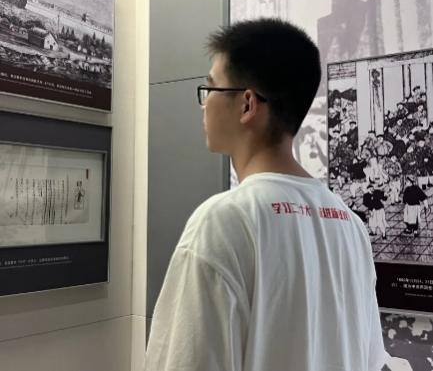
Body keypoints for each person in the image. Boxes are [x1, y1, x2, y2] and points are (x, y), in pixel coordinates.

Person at [145, 18, 385, 371]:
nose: (204, 103)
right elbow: (369, 359)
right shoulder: (349, 224)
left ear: (247, 104)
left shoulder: (223, 222)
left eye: (211, 88)